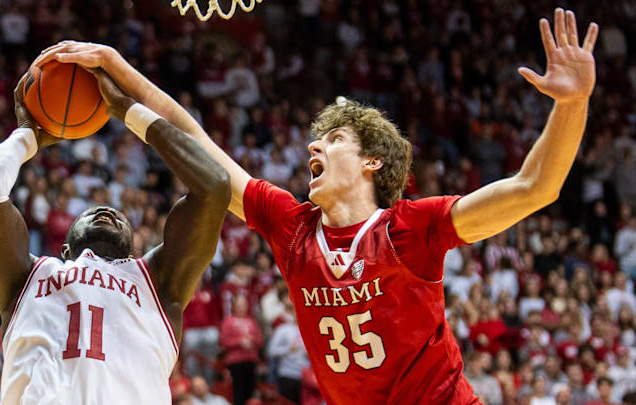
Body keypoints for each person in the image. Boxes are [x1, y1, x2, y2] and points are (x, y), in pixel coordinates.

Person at [41, 8, 598, 404]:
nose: (314, 145)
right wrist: (120, 72)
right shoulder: (291, 227)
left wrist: (572, 104)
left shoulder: (412, 227)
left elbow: (534, 188)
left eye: (332, 141)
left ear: (372, 162)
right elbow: (200, 144)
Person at [0, 69, 230, 403]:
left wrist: (128, 112)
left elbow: (215, 187)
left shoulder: (158, 281)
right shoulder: (26, 274)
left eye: (118, 215)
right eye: (88, 212)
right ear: (64, 249)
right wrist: (27, 136)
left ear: (135, 251)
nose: (104, 210)